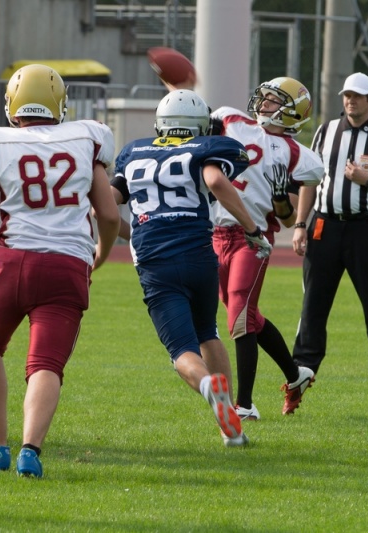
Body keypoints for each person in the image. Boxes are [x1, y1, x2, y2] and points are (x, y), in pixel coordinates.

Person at [0, 64, 120, 478]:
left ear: (11, 104)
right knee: (45, 364)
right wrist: (102, 251)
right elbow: (109, 215)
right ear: (61, 106)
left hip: (13, 262)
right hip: (67, 265)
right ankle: (30, 452)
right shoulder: (86, 139)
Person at [111, 89, 272, 447]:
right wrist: (252, 228)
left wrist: (134, 233)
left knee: (182, 350)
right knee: (208, 332)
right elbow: (215, 180)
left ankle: (207, 386)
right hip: (200, 256)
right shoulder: (204, 148)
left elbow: (104, 206)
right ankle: (231, 423)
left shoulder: (135, 152)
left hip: (156, 262)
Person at [209, 77, 324, 419]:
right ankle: (296, 375)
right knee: (248, 315)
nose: (263, 104)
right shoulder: (231, 121)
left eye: (273, 101)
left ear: (292, 113)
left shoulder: (295, 153)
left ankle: (244, 405)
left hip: (252, 238)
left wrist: (283, 205)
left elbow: (286, 218)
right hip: (216, 234)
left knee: (240, 317)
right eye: (265, 98)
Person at [291, 72, 368, 380]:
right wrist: (300, 224)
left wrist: (367, 180)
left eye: (357, 95)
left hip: (365, 228)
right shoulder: (326, 131)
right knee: (314, 300)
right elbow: (308, 179)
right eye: (347, 95)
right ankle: (304, 366)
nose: (350, 100)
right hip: (325, 225)